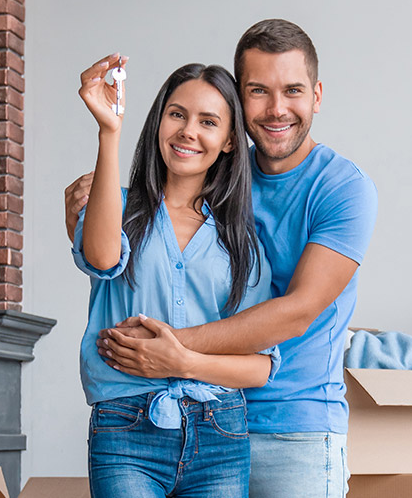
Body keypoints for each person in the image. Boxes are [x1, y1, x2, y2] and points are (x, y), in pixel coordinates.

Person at [66, 20, 378, 498]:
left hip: (294, 426)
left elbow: (296, 313)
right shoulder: (208, 187)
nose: (277, 109)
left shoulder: (340, 189)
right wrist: (96, 205)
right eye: (258, 91)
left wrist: (173, 354)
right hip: (195, 420)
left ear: (316, 94)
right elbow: (108, 254)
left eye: (292, 90)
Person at [71, 55, 279, 498]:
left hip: (220, 432)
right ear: (159, 121)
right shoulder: (117, 208)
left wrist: (182, 361)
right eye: (177, 114)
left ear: (227, 141)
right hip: (125, 427)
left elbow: (260, 365)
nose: (189, 131)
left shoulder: (242, 242)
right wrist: (110, 131)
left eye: (208, 121)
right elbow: (103, 257)